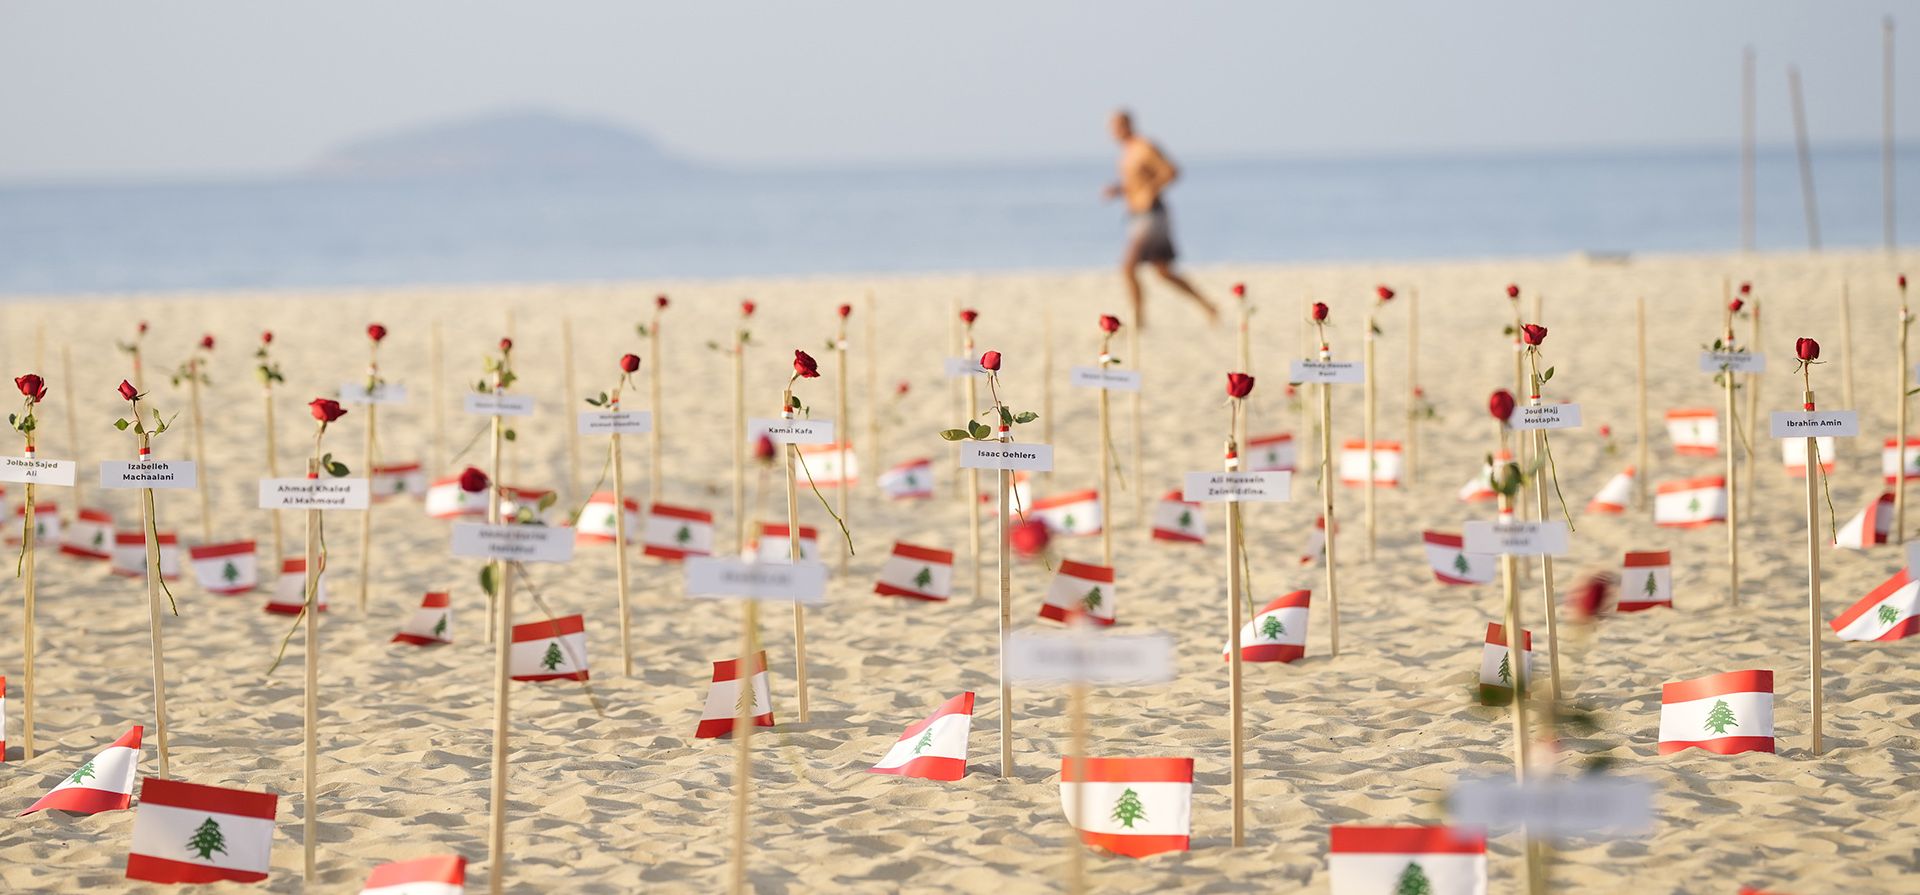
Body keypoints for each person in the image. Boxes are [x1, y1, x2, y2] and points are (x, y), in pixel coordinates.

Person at [1102, 109, 1217, 329]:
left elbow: (1171, 171)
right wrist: (1119, 190)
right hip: (1138, 215)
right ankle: (1208, 306)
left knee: (1128, 267)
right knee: (1163, 272)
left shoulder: (1144, 146)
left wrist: (1150, 191)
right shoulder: (1127, 152)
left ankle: (1138, 322)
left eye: (1116, 126)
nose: (1113, 132)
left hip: (1151, 215)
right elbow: (1137, 182)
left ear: (1127, 125)